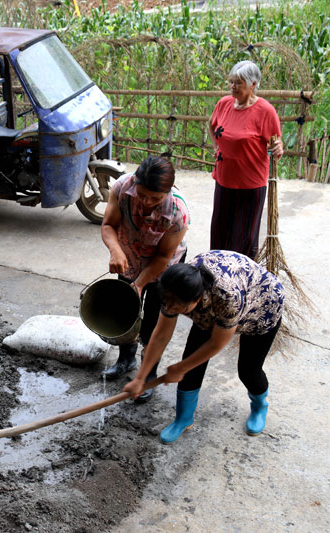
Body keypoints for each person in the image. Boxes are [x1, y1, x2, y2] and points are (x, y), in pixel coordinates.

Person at [124, 250, 285, 444]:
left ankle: (260, 406)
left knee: (248, 370)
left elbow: (217, 343)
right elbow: (160, 336)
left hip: (263, 304)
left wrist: (180, 368)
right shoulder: (175, 287)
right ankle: (184, 419)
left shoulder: (228, 297)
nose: (172, 309)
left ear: (198, 300)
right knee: (190, 361)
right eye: (169, 304)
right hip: (214, 302)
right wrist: (141, 377)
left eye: (180, 308)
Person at [100, 156, 190, 403]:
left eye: (155, 198)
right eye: (142, 194)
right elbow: (108, 225)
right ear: (135, 183)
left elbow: (163, 256)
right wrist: (115, 250)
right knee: (125, 314)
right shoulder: (121, 188)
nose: (147, 202)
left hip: (164, 267)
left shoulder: (178, 213)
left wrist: (139, 284)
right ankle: (125, 360)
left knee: (153, 321)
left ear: (168, 191)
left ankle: (147, 373)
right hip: (128, 257)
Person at [209, 60, 284, 259]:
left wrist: (278, 147)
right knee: (219, 234)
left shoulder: (265, 111)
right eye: (231, 82)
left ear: (253, 84)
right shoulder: (224, 104)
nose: (233, 87)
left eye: (238, 83)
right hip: (224, 180)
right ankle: (215, 279)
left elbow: (276, 143)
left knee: (243, 240)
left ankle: (241, 283)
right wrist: (216, 147)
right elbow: (212, 125)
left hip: (250, 186)